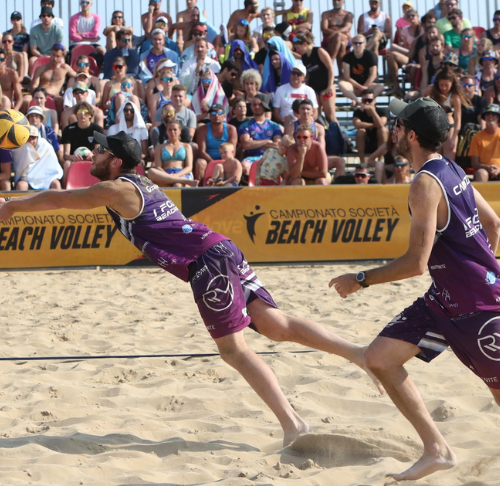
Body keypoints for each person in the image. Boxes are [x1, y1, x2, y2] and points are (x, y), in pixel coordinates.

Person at [0, 130, 383, 448]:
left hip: (207, 262)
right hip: (222, 249)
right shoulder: (140, 182)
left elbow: (58, 199)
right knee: (277, 326)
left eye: (100, 150)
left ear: (115, 161)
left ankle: (294, 425)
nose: (93, 155)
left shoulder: (115, 189)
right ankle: (359, 355)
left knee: (234, 350)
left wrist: (12, 208)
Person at [331, 95, 500, 481]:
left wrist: (360, 280)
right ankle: (437, 450)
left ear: (409, 135)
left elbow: (416, 263)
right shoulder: (452, 168)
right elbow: (493, 226)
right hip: (445, 300)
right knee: (379, 358)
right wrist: (475, 267)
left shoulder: (425, 183)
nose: (391, 130)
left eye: (396, 125)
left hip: (476, 308)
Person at [292, 31, 338, 124]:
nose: (297, 50)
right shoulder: (304, 57)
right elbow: (297, 57)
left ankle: (339, 137)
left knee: (330, 117)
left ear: (305, 44)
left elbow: (330, 68)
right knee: (317, 116)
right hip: (315, 88)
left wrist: (330, 86)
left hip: (326, 87)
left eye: (298, 47)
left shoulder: (319, 51)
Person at [59, 101, 104, 187]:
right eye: (80, 112)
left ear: (90, 115)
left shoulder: (97, 130)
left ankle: (100, 189)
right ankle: (65, 191)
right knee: (67, 164)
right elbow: (65, 155)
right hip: (74, 159)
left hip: (92, 158)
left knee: (101, 164)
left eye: (86, 112)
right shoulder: (68, 130)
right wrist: (72, 157)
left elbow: (98, 151)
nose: (83, 114)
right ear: (76, 114)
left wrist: (92, 155)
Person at [239, 94, 282, 175]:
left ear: (264, 106)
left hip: (271, 157)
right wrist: (267, 141)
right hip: (251, 158)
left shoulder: (274, 126)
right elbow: (246, 145)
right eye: (254, 104)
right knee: (244, 166)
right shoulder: (245, 125)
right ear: (251, 106)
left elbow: (278, 145)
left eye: (260, 104)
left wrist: (254, 143)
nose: (257, 107)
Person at [194, 103, 238, 183]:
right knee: (200, 163)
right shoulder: (203, 129)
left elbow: (232, 151)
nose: (216, 115)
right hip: (208, 159)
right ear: (209, 116)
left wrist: (222, 162)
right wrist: (213, 162)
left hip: (226, 159)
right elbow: (201, 151)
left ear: (224, 116)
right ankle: (199, 188)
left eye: (219, 113)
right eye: (213, 113)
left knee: (234, 163)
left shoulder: (231, 129)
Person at [12, 125, 62, 191]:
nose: (31, 141)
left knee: (56, 184)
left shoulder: (46, 147)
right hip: (27, 180)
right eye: (28, 137)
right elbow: (19, 170)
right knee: (21, 185)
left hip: (46, 180)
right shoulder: (20, 148)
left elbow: (52, 167)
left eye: (33, 138)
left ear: (38, 138)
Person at [338, 34, 385, 105]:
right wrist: (360, 87)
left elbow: (373, 74)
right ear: (352, 44)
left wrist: (365, 87)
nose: (357, 45)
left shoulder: (371, 56)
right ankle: (357, 100)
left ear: (365, 44)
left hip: (368, 85)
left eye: (360, 43)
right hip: (354, 86)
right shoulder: (347, 57)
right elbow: (347, 77)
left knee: (381, 87)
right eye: (355, 43)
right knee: (341, 84)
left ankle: (367, 100)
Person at [148, 120, 196, 187]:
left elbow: (189, 167)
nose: (172, 132)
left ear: (180, 131)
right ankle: (181, 180)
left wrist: (177, 175)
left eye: (175, 129)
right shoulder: (159, 147)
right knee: (151, 171)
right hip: (165, 173)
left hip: (181, 173)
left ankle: (179, 180)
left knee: (177, 185)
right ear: (166, 131)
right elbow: (158, 167)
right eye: (169, 130)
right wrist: (168, 176)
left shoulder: (186, 146)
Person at [31, 44, 76, 115]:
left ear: (61, 57)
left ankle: (58, 124)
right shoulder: (40, 68)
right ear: (50, 54)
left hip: (54, 96)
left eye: (57, 56)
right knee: (25, 100)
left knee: (61, 101)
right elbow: (34, 85)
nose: (54, 58)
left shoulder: (65, 68)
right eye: (53, 55)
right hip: (40, 94)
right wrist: (37, 95)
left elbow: (77, 76)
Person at [352, 88, 389, 164]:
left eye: (370, 100)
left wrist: (372, 111)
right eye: (365, 100)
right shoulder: (358, 112)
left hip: (379, 142)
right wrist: (374, 125)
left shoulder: (382, 111)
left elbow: (381, 125)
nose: (367, 103)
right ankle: (362, 162)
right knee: (361, 131)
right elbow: (357, 124)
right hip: (366, 143)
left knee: (383, 130)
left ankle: (380, 160)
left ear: (374, 100)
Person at [320, 0, 354, 78]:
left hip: (344, 39)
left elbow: (347, 28)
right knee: (341, 44)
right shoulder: (326, 14)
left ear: (343, 2)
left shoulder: (348, 15)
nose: (336, 2)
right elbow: (324, 29)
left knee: (339, 36)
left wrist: (335, 33)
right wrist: (337, 33)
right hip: (329, 40)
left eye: (339, 0)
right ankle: (341, 74)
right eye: (334, 0)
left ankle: (331, 61)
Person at [469, 104, 500, 181]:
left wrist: (499, 169)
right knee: (482, 174)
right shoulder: (477, 137)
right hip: (483, 169)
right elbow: (475, 163)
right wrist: (488, 168)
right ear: (484, 117)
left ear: (498, 117)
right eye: (487, 114)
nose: (490, 116)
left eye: (493, 114)